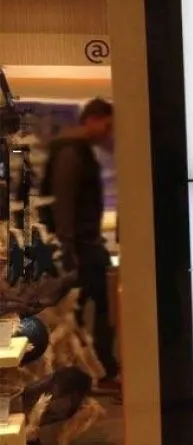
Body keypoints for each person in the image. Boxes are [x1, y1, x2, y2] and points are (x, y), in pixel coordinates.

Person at [40, 98, 119, 390]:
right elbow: (65, 205)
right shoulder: (72, 153)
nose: (109, 133)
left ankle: (95, 370)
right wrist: (68, 251)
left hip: (83, 247)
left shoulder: (76, 151)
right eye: (107, 126)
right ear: (92, 119)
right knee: (96, 309)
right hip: (81, 250)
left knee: (85, 312)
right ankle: (102, 370)